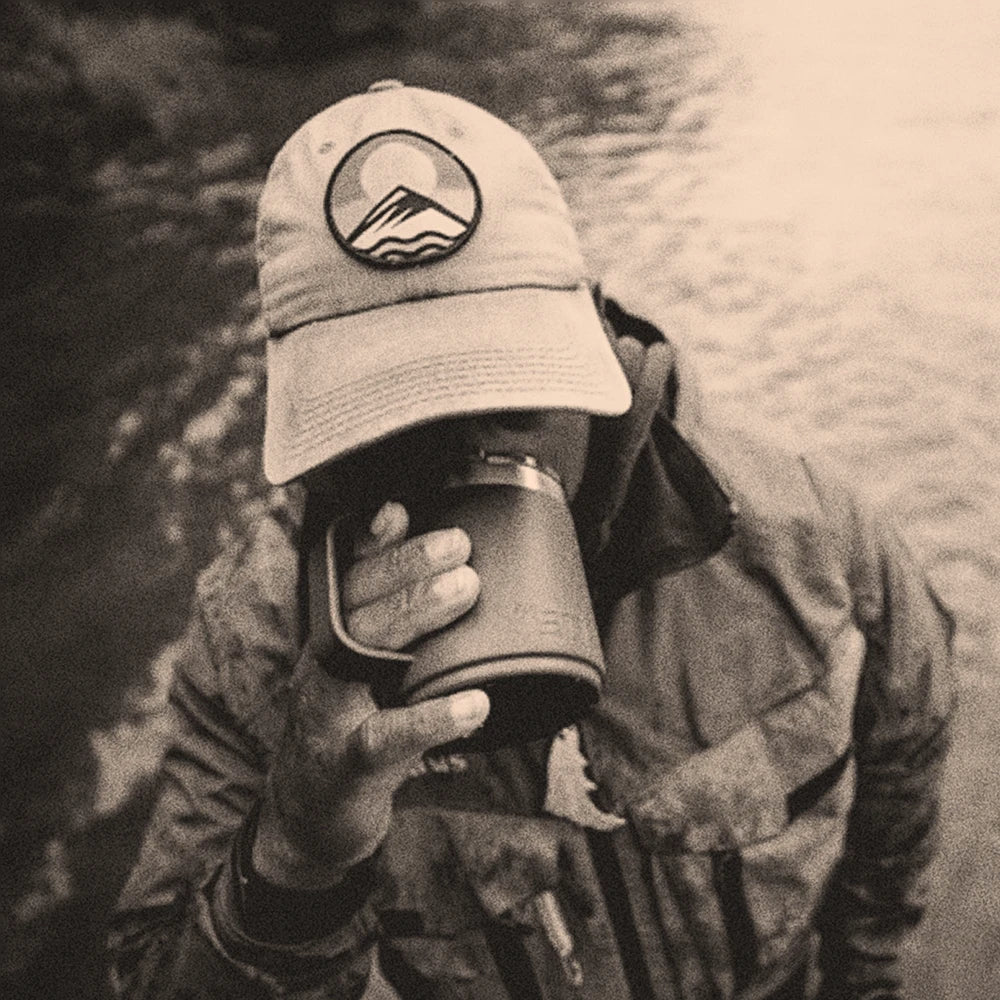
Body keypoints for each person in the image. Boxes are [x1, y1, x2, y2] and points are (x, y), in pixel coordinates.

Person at [107, 82, 956, 1000]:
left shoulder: (808, 537)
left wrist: (863, 974)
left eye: (508, 394)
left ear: (590, 331)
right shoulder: (259, 640)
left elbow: (908, 752)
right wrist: (292, 859)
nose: (462, 463)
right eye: (390, 425)